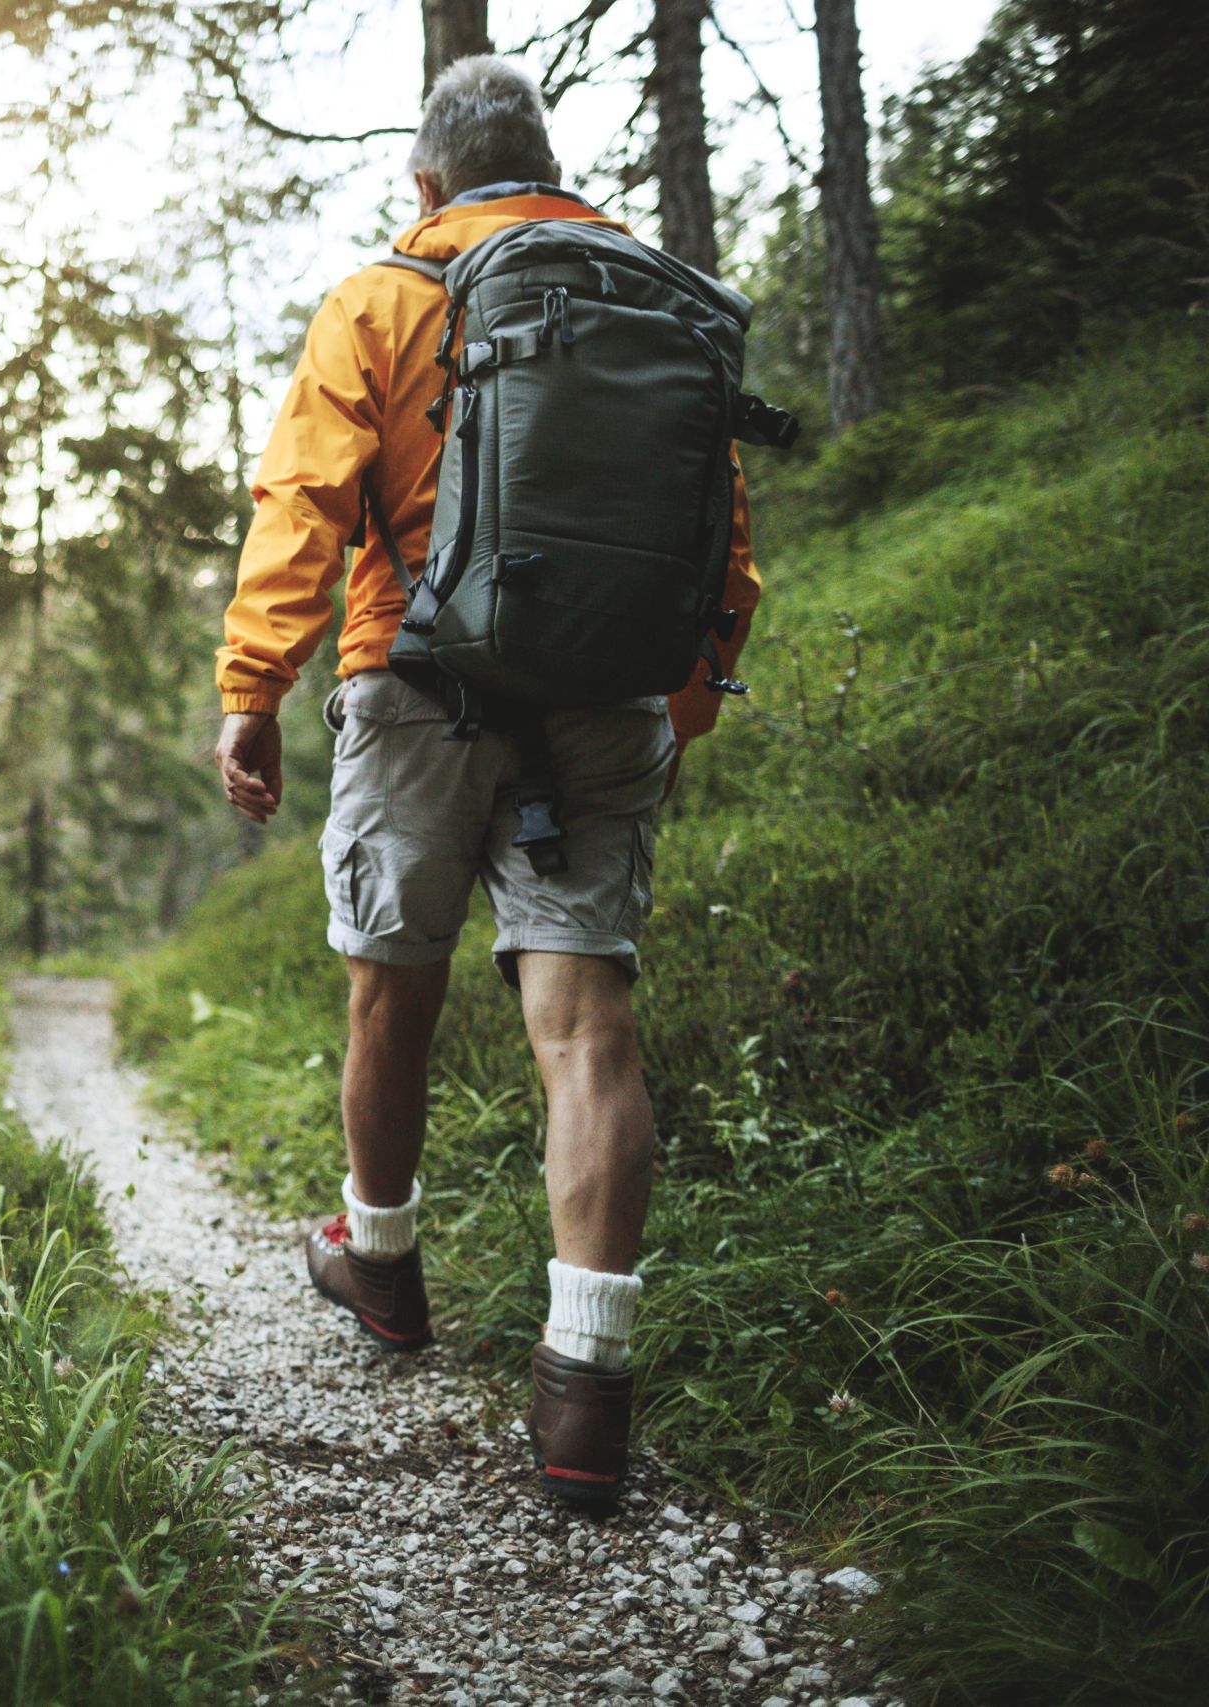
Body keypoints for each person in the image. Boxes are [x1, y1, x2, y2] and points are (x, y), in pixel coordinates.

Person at [209, 55, 760, 1510]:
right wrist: (678, 697)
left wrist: (252, 691)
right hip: (611, 687)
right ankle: (586, 1396)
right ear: (550, 159)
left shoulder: (386, 298)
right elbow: (719, 532)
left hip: (419, 678)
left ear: (426, 180)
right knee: (589, 1026)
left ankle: (381, 1268)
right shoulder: (655, 300)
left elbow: (303, 509)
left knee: (393, 979)